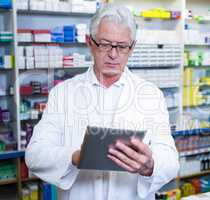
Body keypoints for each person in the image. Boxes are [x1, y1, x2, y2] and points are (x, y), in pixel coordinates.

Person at [25, 3, 179, 200]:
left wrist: (151, 165)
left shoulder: (150, 94)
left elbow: (171, 159)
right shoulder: (63, 93)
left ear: (132, 48)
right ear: (90, 42)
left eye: (122, 47)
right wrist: (75, 157)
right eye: (105, 44)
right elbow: (35, 154)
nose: (113, 55)